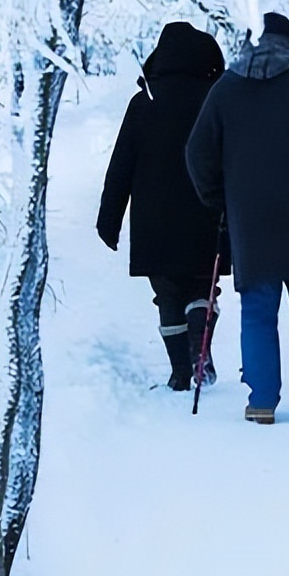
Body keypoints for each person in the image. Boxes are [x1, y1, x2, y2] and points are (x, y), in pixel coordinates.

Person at [186, 12, 289, 424]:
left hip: (250, 221)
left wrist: (219, 199)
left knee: (258, 309)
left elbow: (196, 152)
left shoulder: (226, 88)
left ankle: (261, 400)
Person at [97, 22, 230, 391]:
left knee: (168, 293)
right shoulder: (215, 99)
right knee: (203, 287)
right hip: (207, 212)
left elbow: (121, 164)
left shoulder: (145, 102)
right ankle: (199, 353)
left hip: (154, 220)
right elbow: (234, 159)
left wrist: (108, 220)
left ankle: (180, 372)